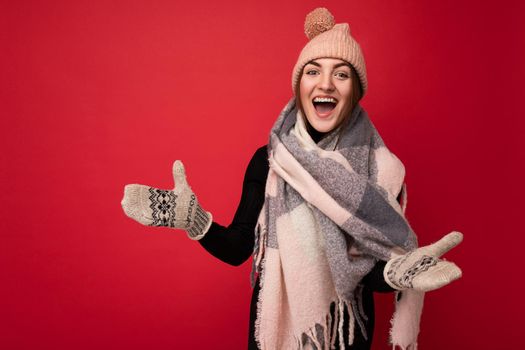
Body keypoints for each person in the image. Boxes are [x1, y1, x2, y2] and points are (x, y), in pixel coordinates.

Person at [121, 8, 463, 350]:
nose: (326, 83)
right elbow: (239, 248)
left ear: (356, 91)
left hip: (342, 335)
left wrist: (396, 273)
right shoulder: (269, 161)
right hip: (273, 332)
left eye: (341, 74)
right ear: (300, 85)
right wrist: (195, 221)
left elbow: (367, 271)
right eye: (313, 71)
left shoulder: (383, 170)